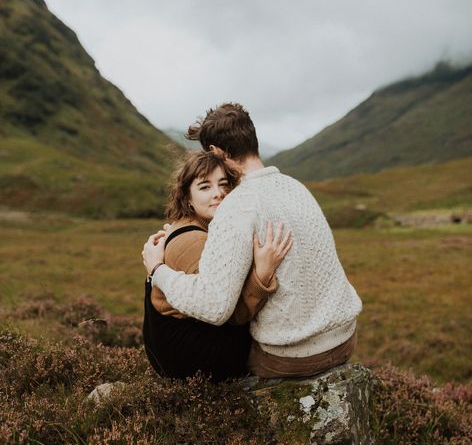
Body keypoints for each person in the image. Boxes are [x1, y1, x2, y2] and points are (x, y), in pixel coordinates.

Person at [143, 103, 362, 378]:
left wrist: (157, 271)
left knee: (226, 350)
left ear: (216, 153)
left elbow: (215, 307)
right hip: (344, 339)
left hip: (292, 357)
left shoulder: (236, 207)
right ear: (252, 140)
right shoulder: (296, 187)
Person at [142, 150, 292, 382]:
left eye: (224, 184)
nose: (219, 194)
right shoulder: (193, 241)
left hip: (180, 350)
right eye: (205, 187)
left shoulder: (203, 228)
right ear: (187, 198)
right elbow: (226, 312)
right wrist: (262, 274)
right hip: (195, 358)